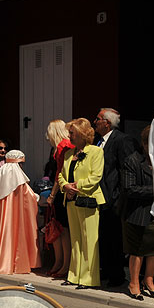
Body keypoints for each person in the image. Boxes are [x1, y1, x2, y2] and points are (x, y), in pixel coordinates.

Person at [0, 149, 41, 274]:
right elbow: (29, 196)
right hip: (15, 217)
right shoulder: (17, 177)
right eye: (21, 163)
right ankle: (10, 262)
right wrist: (38, 197)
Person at [59, 118, 105, 289]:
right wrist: (65, 186)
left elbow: (96, 176)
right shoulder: (68, 154)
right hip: (71, 200)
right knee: (76, 240)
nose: (69, 136)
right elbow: (61, 175)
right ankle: (74, 276)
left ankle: (88, 279)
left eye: (72, 133)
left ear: (82, 134)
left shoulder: (95, 152)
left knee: (89, 240)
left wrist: (75, 186)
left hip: (88, 200)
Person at [94, 107, 138, 287]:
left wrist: (118, 195)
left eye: (97, 119)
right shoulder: (99, 141)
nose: (94, 122)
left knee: (114, 237)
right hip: (100, 196)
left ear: (107, 123)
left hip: (113, 198)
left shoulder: (122, 140)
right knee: (103, 236)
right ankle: (105, 270)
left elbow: (126, 168)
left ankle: (116, 275)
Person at [121, 125, 154, 301]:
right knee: (137, 250)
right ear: (144, 144)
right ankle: (134, 283)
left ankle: (149, 281)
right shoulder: (132, 160)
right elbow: (130, 189)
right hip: (137, 213)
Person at [45, 120, 75, 278]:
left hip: (62, 191)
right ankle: (62, 263)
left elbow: (59, 173)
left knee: (64, 230)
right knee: (63, 230)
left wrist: (52, 195)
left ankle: (64, 264)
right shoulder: (64, 145)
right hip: (63, 190)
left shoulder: (62, 147)